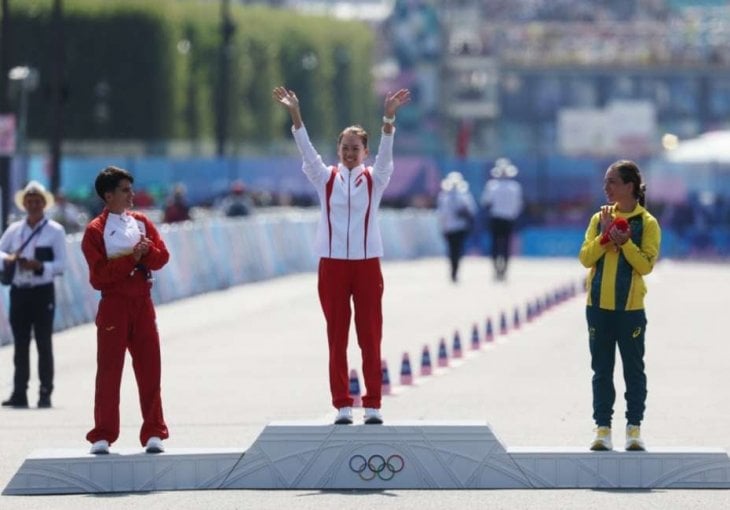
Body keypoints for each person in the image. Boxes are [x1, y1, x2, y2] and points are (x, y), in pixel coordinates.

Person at [273, 85, 410, 425]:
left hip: (367, 265)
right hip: (332, 265)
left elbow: (388, 155)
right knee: (337, 337)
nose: (350, 153)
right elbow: (306, 152)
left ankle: (373, 404)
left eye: (356, 148)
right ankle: (342, 405)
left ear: (366, 152)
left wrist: (388, 119)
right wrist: (296, 114)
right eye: (345, 147)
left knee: (370, 336)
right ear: (338, 150)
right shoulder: (325, 178)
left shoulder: (376, 179)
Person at [81, 166, 170, 454]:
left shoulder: (142, 222)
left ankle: (154, 431)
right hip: (114, 305)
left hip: (143, 304)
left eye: (131, 190)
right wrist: (132, 258)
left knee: (150, 368)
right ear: (108, 196)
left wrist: (146, 254)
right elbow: (98, 277)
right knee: (109, 370)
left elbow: (162, 258)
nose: (132, 195)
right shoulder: (95, 230)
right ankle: (103, 434)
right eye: (125, 191)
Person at [578, 160, 661, 452]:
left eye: (612, 181)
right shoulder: (599, 218)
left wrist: (624, 241)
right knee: (601, 370)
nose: (606, 187)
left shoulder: (647, 223)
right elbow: (586, 258)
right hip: (598, 307)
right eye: (605, 181)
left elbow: (645, 265)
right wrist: (605, 235)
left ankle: (634, 429)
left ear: (630, 186)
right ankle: (602, 429)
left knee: (633, 370)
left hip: (631, 311)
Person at [0, 181, 67, 409]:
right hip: (20, 291)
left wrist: (39, 266)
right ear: (24, 204)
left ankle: (45, 392)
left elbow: (61, 265)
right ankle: (19, 392)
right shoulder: (15, 230)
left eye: (37, 201)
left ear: (44, 204)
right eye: (29, 201)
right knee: (20, 344)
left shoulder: (55, 231)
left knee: (43, 343)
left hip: (42, 291)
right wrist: (9, 259)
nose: (33, 205)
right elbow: (1, 250)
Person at [480, 158, 523, 281]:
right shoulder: (515, 187)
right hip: (509, 219)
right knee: (506, 245)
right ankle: (503, 270)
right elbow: (518, 205)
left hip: (496, 218)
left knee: (495, 245)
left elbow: (486, 202)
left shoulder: (492, 186)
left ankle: (496, 269)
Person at [436, 171, 477, 282]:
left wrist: (442, 227)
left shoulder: (444, 197)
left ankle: (453, 270)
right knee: (457, 250)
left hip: (450, 228)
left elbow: (441, 215)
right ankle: (455, 270)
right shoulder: (464, 196)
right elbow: (472, 211)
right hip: (459, 228)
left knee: (452, 250)